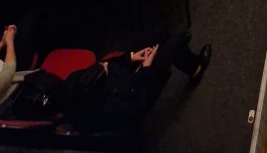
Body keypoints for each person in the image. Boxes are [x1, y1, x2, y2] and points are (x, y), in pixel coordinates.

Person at [59, 33, 212, 129]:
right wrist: (145, 67)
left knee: (159, 34)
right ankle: (196, 69)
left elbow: (111, 65)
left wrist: (133, 57)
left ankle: (183, 56)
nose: (105, 63)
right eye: (104, 68)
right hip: (140, 90)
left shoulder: (76, 83)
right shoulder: (114, 108)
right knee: (175, 44)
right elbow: (140, 99)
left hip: (128, 81)